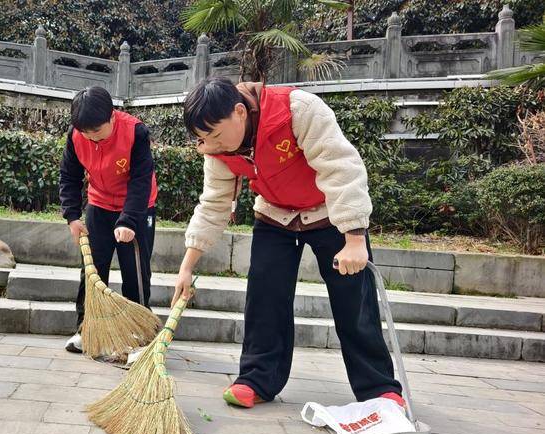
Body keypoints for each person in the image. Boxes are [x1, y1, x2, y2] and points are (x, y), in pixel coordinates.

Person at [174, 77, 404, 408]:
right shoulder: (216, 148)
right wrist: (186, 266)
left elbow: (341, 168)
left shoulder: (297, 109)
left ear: (239, 112)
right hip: (275, 215)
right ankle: (256, 379)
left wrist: (354, 238)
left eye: (216, 135)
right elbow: (214, 204)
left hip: (328, 211)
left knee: (354, 300)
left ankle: (379, 388)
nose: (213, 145)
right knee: (264, 295)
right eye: (203, 139)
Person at [59, 86, 158, 353]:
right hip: (99, 205)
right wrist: (71, 216)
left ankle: (139, 335)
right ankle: (87, 329)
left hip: (136, 210)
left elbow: (141, 180)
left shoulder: (135, 132)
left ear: (112, 117)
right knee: (92, 272)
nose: (93, 139)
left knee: (135, 273)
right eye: (86, 134)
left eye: (98, 132)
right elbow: (69, 176)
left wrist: (128, 221)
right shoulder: (76, 136)